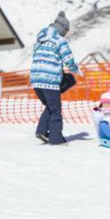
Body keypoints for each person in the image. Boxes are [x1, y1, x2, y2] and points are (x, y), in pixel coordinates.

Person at [30, 11, 82, 145]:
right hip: (50, 80)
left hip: (36, 80)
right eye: (66, 30)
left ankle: (42, 131)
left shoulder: (39, 40)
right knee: (55, 110)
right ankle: (56, 138)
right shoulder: (59, 41)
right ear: (63, 28)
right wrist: (76, 70)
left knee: (50, 106)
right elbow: (68, 60)